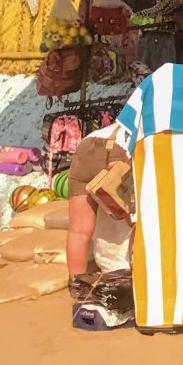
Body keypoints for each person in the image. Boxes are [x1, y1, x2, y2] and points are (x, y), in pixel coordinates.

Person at [64, 126, 135, 329]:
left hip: (84, 150)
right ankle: (138, 292)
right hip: (118, 153)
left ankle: (80, 296)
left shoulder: (122, 121)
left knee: (79, 230)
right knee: (138, 223)